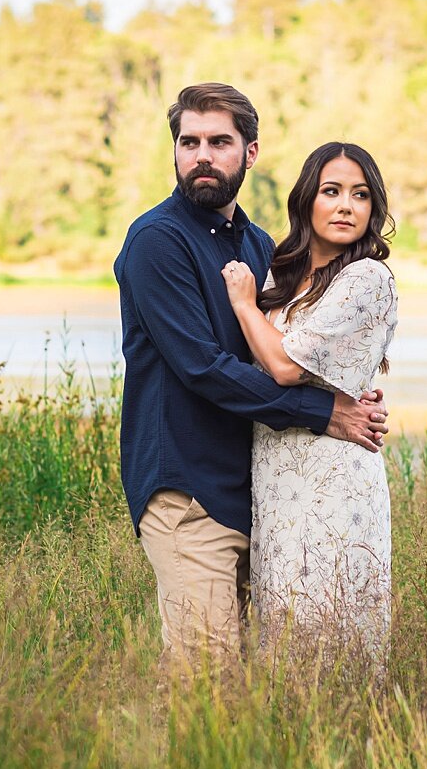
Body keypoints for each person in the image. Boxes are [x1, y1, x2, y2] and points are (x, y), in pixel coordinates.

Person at [113, 83, 390, 679]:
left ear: (251, 152)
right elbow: (204, 368)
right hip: (188, 491)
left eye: (219, 141)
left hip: (260, 496)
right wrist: (325, 413)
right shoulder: (157, 242)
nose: (202, 156)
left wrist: (341, 388)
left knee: (262, 676)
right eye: (189, 142)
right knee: (204, 676)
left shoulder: (260, 244)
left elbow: (282, 353)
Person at [220, 141, 397, 674]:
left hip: (334, 479)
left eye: (359, 195)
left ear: (373, 209)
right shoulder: (284, 275)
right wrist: (258, 302)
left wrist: (243, 305)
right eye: (332, 191)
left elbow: (284, 368)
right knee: (281, 637)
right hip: (276, 482)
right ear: (307, 200)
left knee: (332, 632)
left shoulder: (366, 278)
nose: (345, 205)